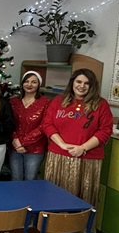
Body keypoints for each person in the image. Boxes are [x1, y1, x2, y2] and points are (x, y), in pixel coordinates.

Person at [42, 68, 112, 206]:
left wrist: (83, 148)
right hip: (58, 156)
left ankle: (80, 221)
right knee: (54, 196)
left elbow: (105, 130)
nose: (82, 86)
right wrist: (61, 144)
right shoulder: (58, 101)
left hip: (87, 159)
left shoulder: (101, 104)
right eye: (78, 82)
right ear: (72, 83)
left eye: (86, 83)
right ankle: (53, 220)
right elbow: (47, 124)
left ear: (92, 86)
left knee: (82, 199)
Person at [9, 71, 50, 181]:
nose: (29, 84)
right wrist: (16, 140)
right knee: (15, 178)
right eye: (26, 81)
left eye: (34, 82)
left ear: (39, 84)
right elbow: (9, 122)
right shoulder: (13, 101)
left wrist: (23, 142)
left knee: (30, 179)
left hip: (35, 149)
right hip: (15, 147)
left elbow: (44, 126)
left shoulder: (46, 103)